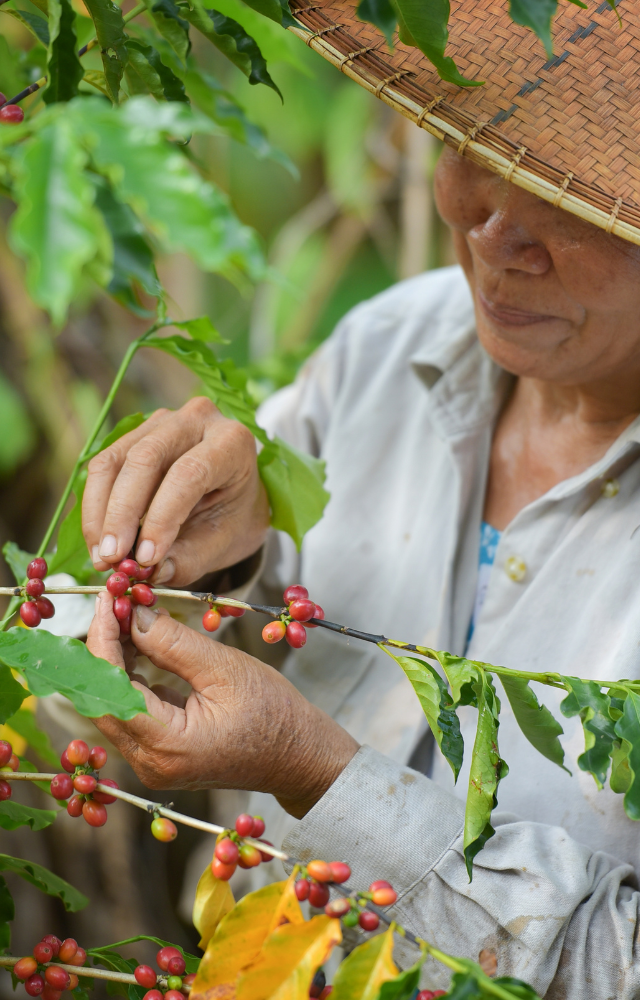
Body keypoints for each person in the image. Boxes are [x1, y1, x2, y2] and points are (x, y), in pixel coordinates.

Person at [82, 1, 640, 991]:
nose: (497, 233)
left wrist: (317, 772)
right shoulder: (392, 346)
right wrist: (221, 558)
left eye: (577, 203)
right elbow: (160, 656)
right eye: (478, 152)